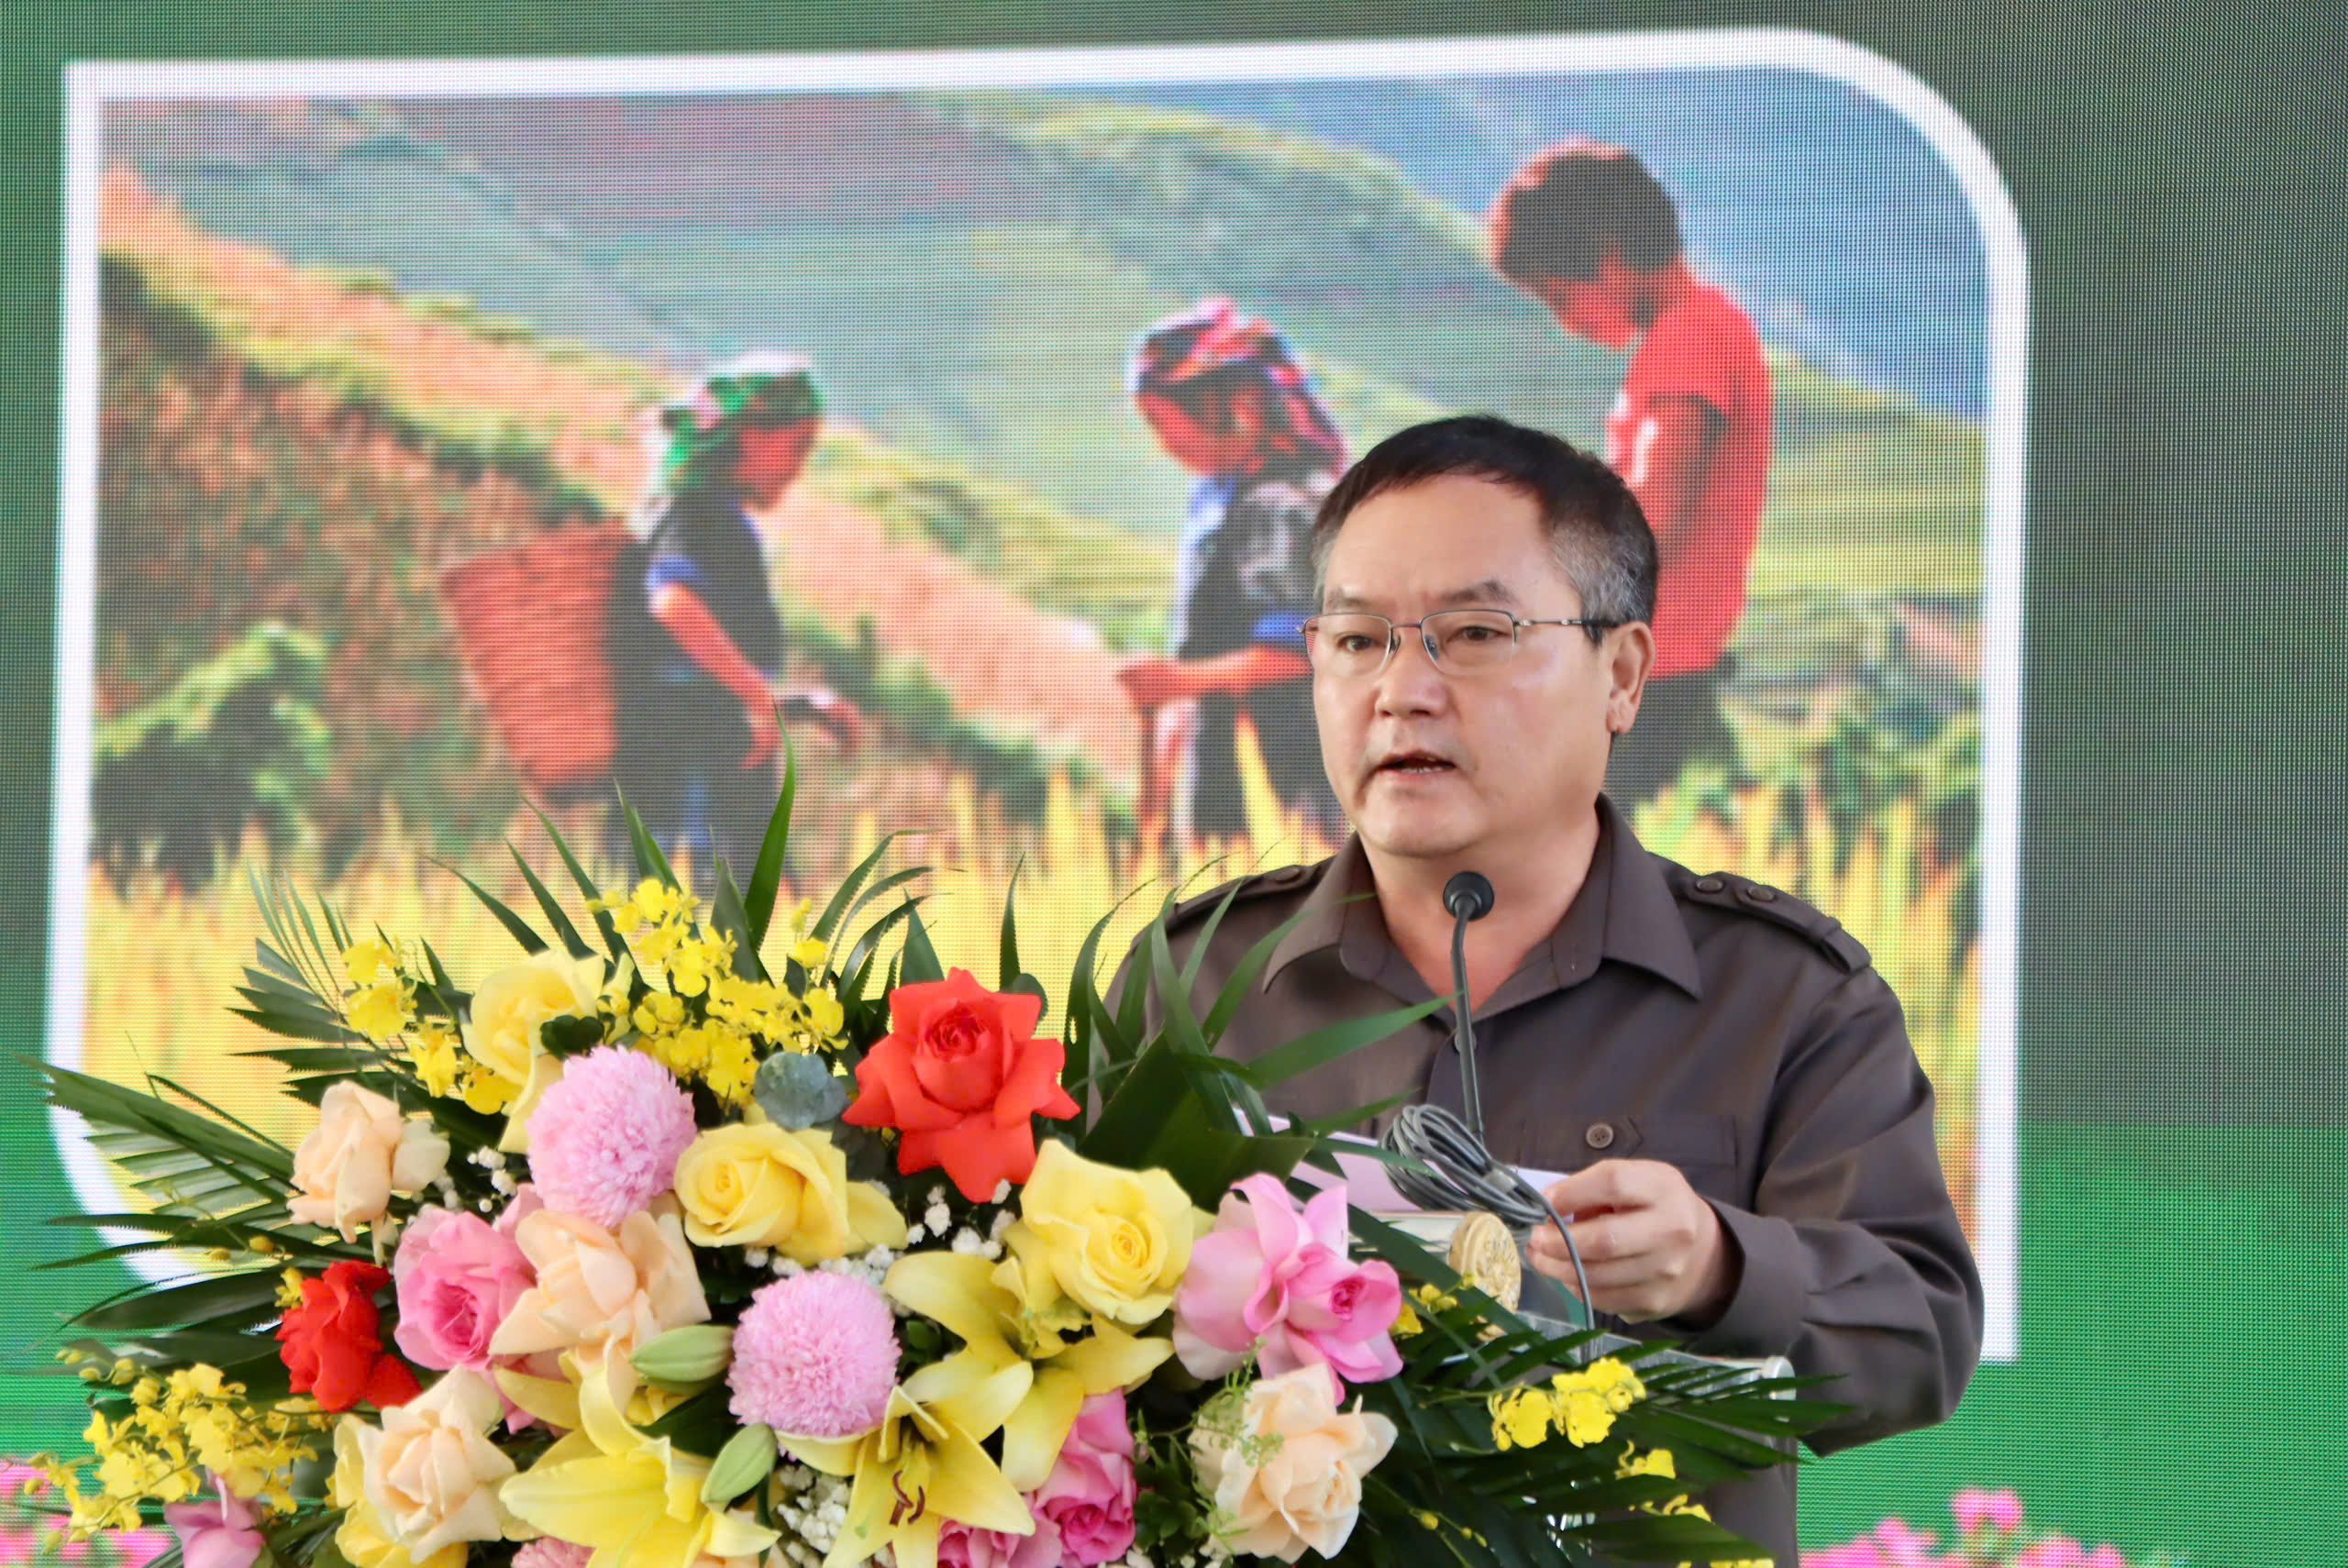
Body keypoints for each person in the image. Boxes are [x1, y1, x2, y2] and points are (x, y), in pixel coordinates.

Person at [1132, 416, 1979, 1564]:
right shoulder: (1195, 981)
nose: (1401, 691)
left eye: (1475, 634)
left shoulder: (1782, 994)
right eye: (1358, 640)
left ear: (1621, 675)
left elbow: (1919, 1337)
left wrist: (1720, 1267)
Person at [1490, 141, 1771, 809]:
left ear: (1610, 257)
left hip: (1654, 672)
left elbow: (1652, 511)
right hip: (1665, 663)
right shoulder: (1701, 330)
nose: (1566, 323)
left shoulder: (1690, 338)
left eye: (1562, 297)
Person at [608, 354, 858, 890]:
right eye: (796, 446)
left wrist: (798, 705)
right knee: (707, 923)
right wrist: (757, 695)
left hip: (710, 759)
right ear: (747, 437)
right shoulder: (696, 511)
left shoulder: (716, 515)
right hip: (689, 781)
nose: (799, 465)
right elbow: (673, 605)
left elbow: (701, 672)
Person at [1113, 299, 1347, 848]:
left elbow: (1307, 648)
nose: (1162, 442)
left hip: (1286, 770)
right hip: (1230, 773)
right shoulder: (1223, 499)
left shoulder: (1278, 506)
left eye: (1162, 422)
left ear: (1229, 407)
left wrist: (1175, 682)